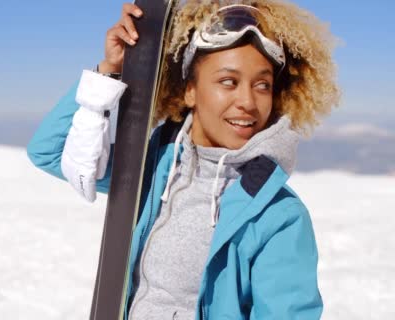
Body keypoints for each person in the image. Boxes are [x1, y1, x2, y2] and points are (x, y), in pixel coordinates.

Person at [27, 0, 340, 319]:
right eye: (228, 81)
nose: (247, 101)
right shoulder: (152, 171)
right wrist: (111, 70)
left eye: (262, 85)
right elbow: (50, 151)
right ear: (190, 90)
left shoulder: (277, 216)